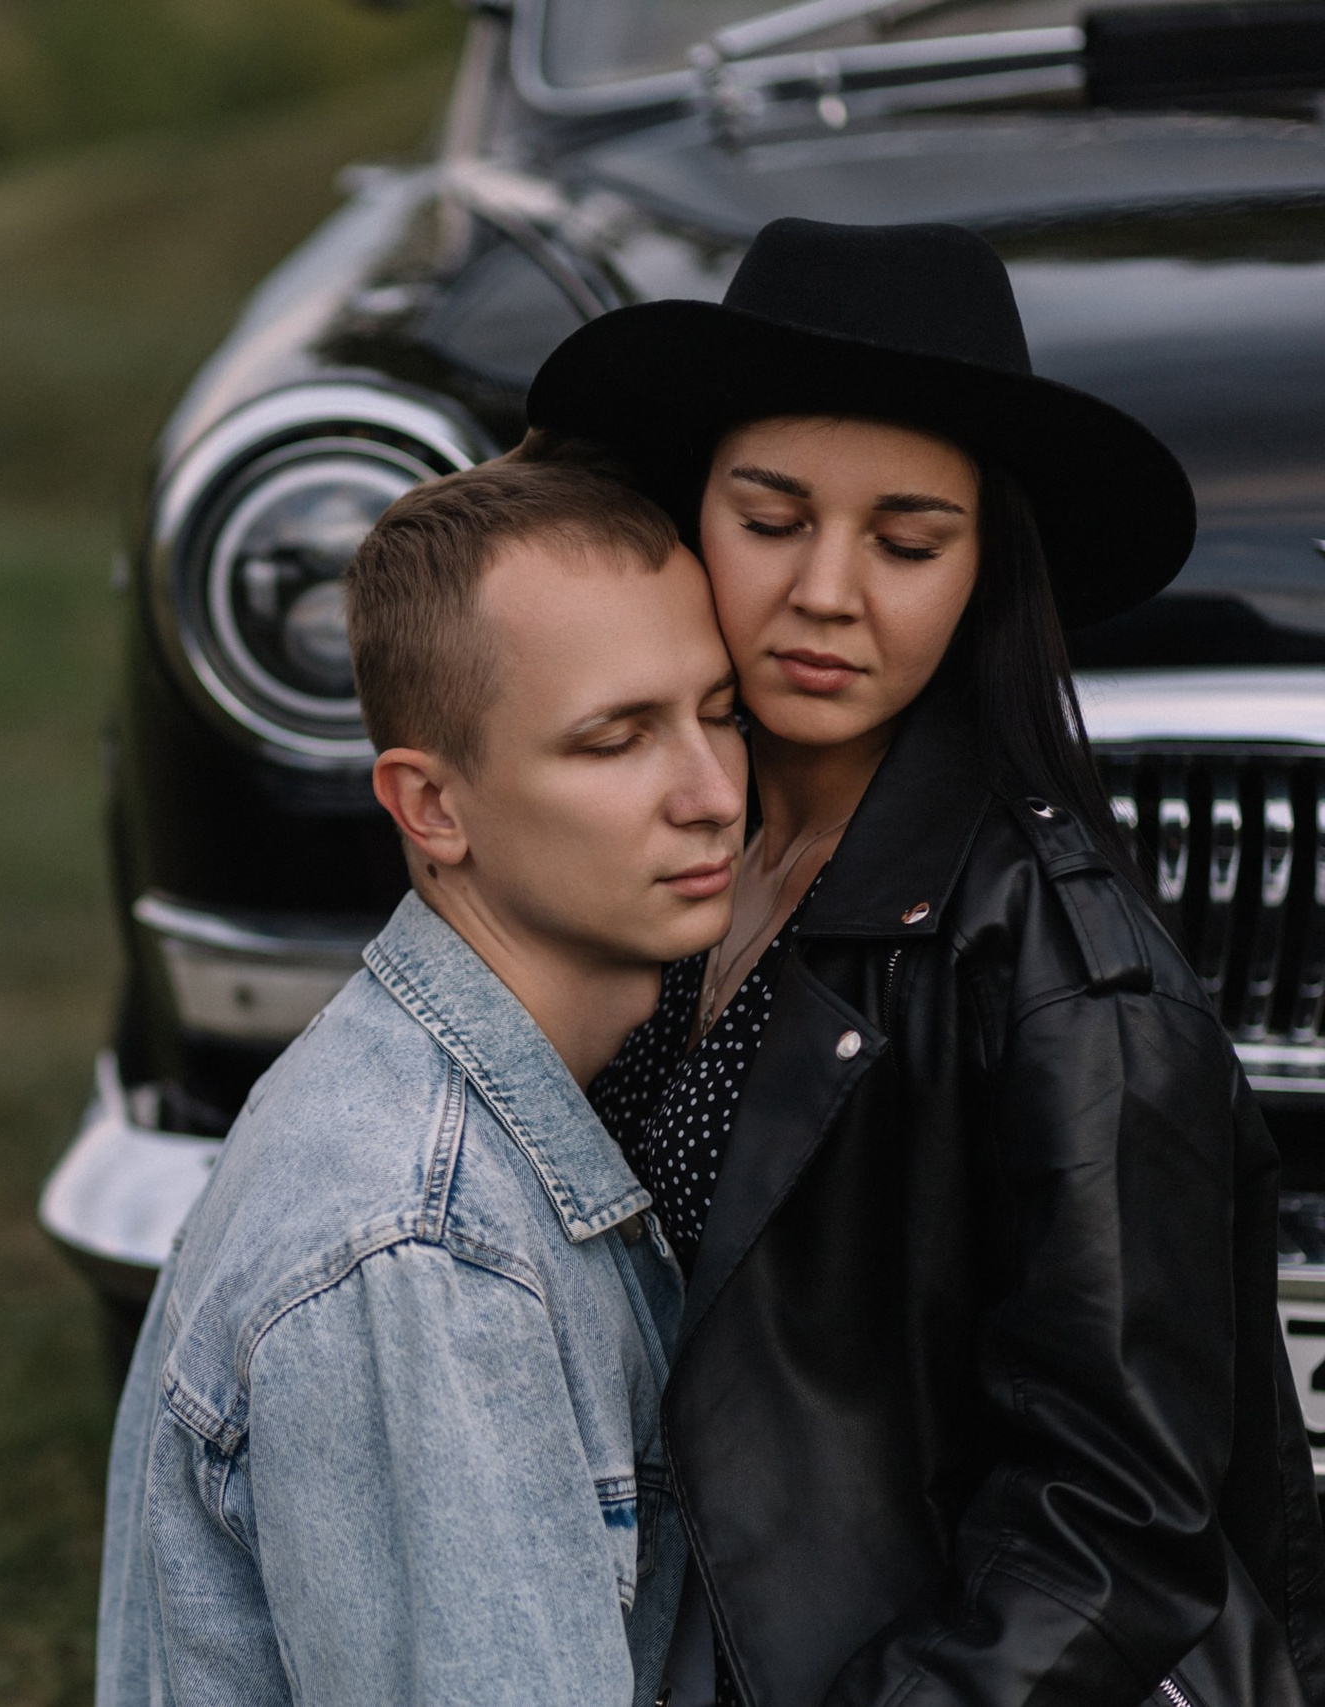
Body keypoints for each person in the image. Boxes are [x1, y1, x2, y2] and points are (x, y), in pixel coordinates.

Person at [527, 217, 1325, 1707]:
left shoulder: (1076, 987)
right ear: (688, 514)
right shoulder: (685, 854)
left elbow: (1116, 1529)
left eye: (906, 542)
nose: (829, 590)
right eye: (770, 520)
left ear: (982, 572)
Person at [95, 454, 744, 1706]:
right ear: (430, 806)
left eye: (719, 713)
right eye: (616, 740)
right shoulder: (422, 1253)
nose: (713, 795)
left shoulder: (506, 1107)